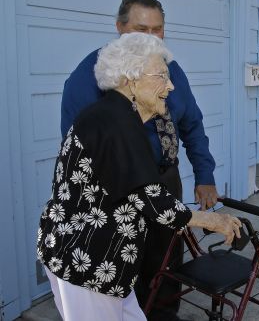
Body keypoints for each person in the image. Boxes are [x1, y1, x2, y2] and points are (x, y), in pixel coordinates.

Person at [38, 33, 241, 321]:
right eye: (161, 76)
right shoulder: (113, 122)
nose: (170, 86)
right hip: (87, 262)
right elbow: (150, 198)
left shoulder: (118, 116)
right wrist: (214, 220)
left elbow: (135, 193)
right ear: (130, 79)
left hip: (104, 261)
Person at [60, 0, 217, 320]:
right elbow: (85, 157)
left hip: (164, 178)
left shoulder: (168, 71)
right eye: (140, 30)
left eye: (157, 29)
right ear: (119, 27)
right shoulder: (89, 80)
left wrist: (204, 175)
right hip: (117, 191)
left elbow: (192, 123)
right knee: (122, 262)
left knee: (166, 263)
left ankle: (162, 315)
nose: (151, 38)